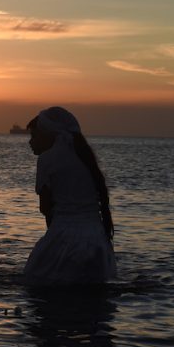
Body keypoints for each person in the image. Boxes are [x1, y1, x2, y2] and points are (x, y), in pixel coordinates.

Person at [22, 107, 117, 286]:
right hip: (96, 240)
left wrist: (52, 244)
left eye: (34, 136)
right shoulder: (85, 156)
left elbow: (46, 209)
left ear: (48, 134)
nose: (30, 142)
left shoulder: (46, 159)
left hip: (65, 238)